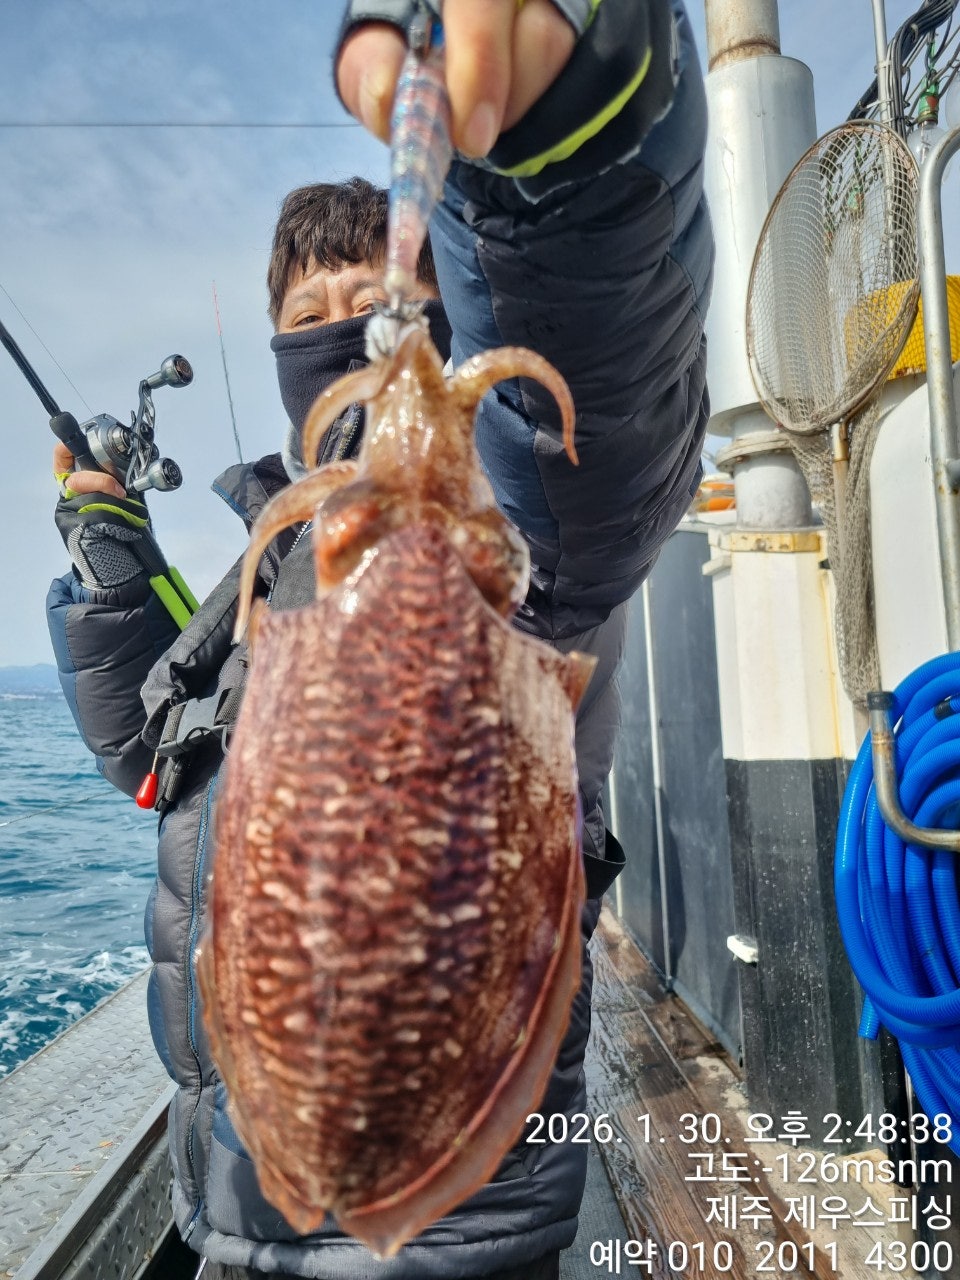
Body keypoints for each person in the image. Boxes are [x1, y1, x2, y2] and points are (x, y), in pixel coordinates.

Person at [47, 1, 712, 1277]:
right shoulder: (264, 563)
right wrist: (111, 557)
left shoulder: (511, 531)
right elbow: (152, 753)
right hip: (237, 1205)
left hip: (451, 1230)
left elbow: (596, 411)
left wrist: (555, 169)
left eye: (379, 297)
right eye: (318, 305)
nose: (352, 323)